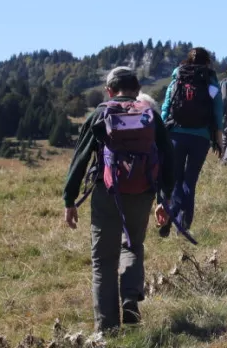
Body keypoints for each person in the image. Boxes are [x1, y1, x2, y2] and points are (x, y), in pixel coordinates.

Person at [63, 67, 174, 333]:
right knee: (133, 245)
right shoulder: (149, 115)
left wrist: (70, 199)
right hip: (142, 191)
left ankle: (108, 329)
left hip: (106, 193)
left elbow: (80, 159)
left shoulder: (100, 114)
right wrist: (164, 199)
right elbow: (168, 157)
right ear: (137, 91)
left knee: (103, 261)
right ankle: (130, 298)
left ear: (109, 91)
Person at [160, 47, 223, 237]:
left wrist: (161, 133)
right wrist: (218, 140)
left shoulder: (176, 79)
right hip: (201, 137)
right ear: (207, 63)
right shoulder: (211, 83)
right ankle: (183, 223)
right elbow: (218, 113)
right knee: (190, 180)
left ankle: (170, 213)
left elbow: (166, 107)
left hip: (175, 135)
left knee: (175, 179)